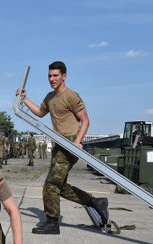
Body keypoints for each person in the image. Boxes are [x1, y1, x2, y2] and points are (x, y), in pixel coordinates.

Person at [16, 61, 108, 234]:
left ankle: (52, 222)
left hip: (70, 142)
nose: (52, 79)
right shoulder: (50, 97)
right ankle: (95, 202)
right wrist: (24, 99)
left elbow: (85, 120)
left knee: (50, 184)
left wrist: (77, 142)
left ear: (64, 76)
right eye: (50, 76)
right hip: (58, 143)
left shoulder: (71, 96)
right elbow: (40, 112)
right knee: (59, 185)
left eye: (55, 75)